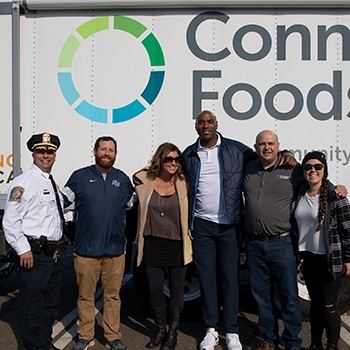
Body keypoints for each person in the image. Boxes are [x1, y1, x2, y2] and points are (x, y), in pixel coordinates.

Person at [180, 111, 296, 350]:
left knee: (229, 279)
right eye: (201, 122)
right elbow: (169, 173)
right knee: (206, 279)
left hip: (230, 225)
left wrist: (287, 155)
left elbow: (267, 158)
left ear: (217, 125)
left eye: (210, 121)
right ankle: (211, 329)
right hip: (202, 225)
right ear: (196, 127)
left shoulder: (238, 150)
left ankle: (232, 331)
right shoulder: (189, 155)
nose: (206, 126)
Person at [61, 136, 134, 350]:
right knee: (85, 296)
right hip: (86, 250)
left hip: (115, 251)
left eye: (111, 150)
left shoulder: (122, 179)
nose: (107, 153)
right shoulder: (79, 177)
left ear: (115, 154)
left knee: (112, 296)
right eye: (103, 149)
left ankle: (113, 336)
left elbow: (132, 203)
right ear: (94, 151)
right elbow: (61, 202)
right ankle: (85, 335)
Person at [3, 132, 65, 350]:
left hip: (52, 257)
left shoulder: (49, 181)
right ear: (33, 153)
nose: (45, 156)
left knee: (50, 306)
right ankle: (33, 346)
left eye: (49, 152)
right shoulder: (23, 184)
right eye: (41, 151)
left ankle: (44, 343)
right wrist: (23, 250)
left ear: (55, 155)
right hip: (35, 256)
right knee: (33, 308)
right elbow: (10, 222)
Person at [243, 130, 303, 350]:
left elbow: (318, 183)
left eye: (271, 143)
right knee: (261, 296)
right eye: (262, 144)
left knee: (288, 296)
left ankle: (292, 342)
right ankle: (269, 339)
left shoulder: (292, 170)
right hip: (254, 243)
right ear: (255, 147)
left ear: (278, 146)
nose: (266, 147)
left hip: (282, 243)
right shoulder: (248, 168)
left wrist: (338, 190)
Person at [133, 142, 192, 350]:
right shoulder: (145, 181)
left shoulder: (184, 182)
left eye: (176, 159)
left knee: (176, 289)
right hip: (152, 242)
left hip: (177, 242)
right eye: (169, 159)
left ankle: (173, 333)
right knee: (155, 289)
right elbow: (139, 173)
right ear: (161, 159)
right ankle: (160, 330)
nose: (173, 163)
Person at [293, 151, 350, 350]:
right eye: (308, 167)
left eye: (318, 167)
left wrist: (348, 259)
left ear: (324, 170)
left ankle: (332, 345)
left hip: (330, 259)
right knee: (316, 305)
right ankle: (316, 343)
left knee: (328, 307)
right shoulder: (299, 193)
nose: (313, 171)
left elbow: (347, 231)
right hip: (308, 259)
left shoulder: (336, 197)